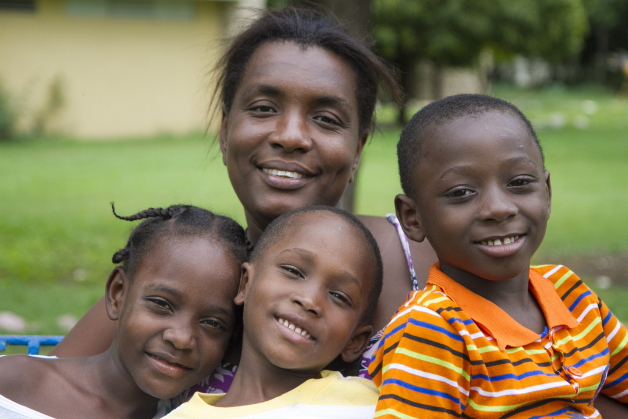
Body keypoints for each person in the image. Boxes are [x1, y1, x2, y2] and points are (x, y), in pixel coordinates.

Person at [50, 7, 437, 381]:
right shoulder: (186, 271)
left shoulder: (423, 258)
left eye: (326, 119)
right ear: (224, 131)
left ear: (357, 149)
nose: (290, 136)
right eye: (264, 108)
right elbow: (53, 388)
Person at [369, 94, 628, 418]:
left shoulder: (572, 294)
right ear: (413, 217)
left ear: (546, 194)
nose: (499, 208)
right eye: (461, 192)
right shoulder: (433, 331)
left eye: (519, 182)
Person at [0, 205, 248, 419]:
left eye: (213, 323)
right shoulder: (12, 383)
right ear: (118, 293)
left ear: (232, 335)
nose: (181, 338)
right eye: (162, 304)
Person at [165, 206, 383, 419]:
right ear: (246, 284)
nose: (309, 300)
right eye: (293, 271)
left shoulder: (374, 404)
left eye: (339, 296)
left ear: (355, 341)